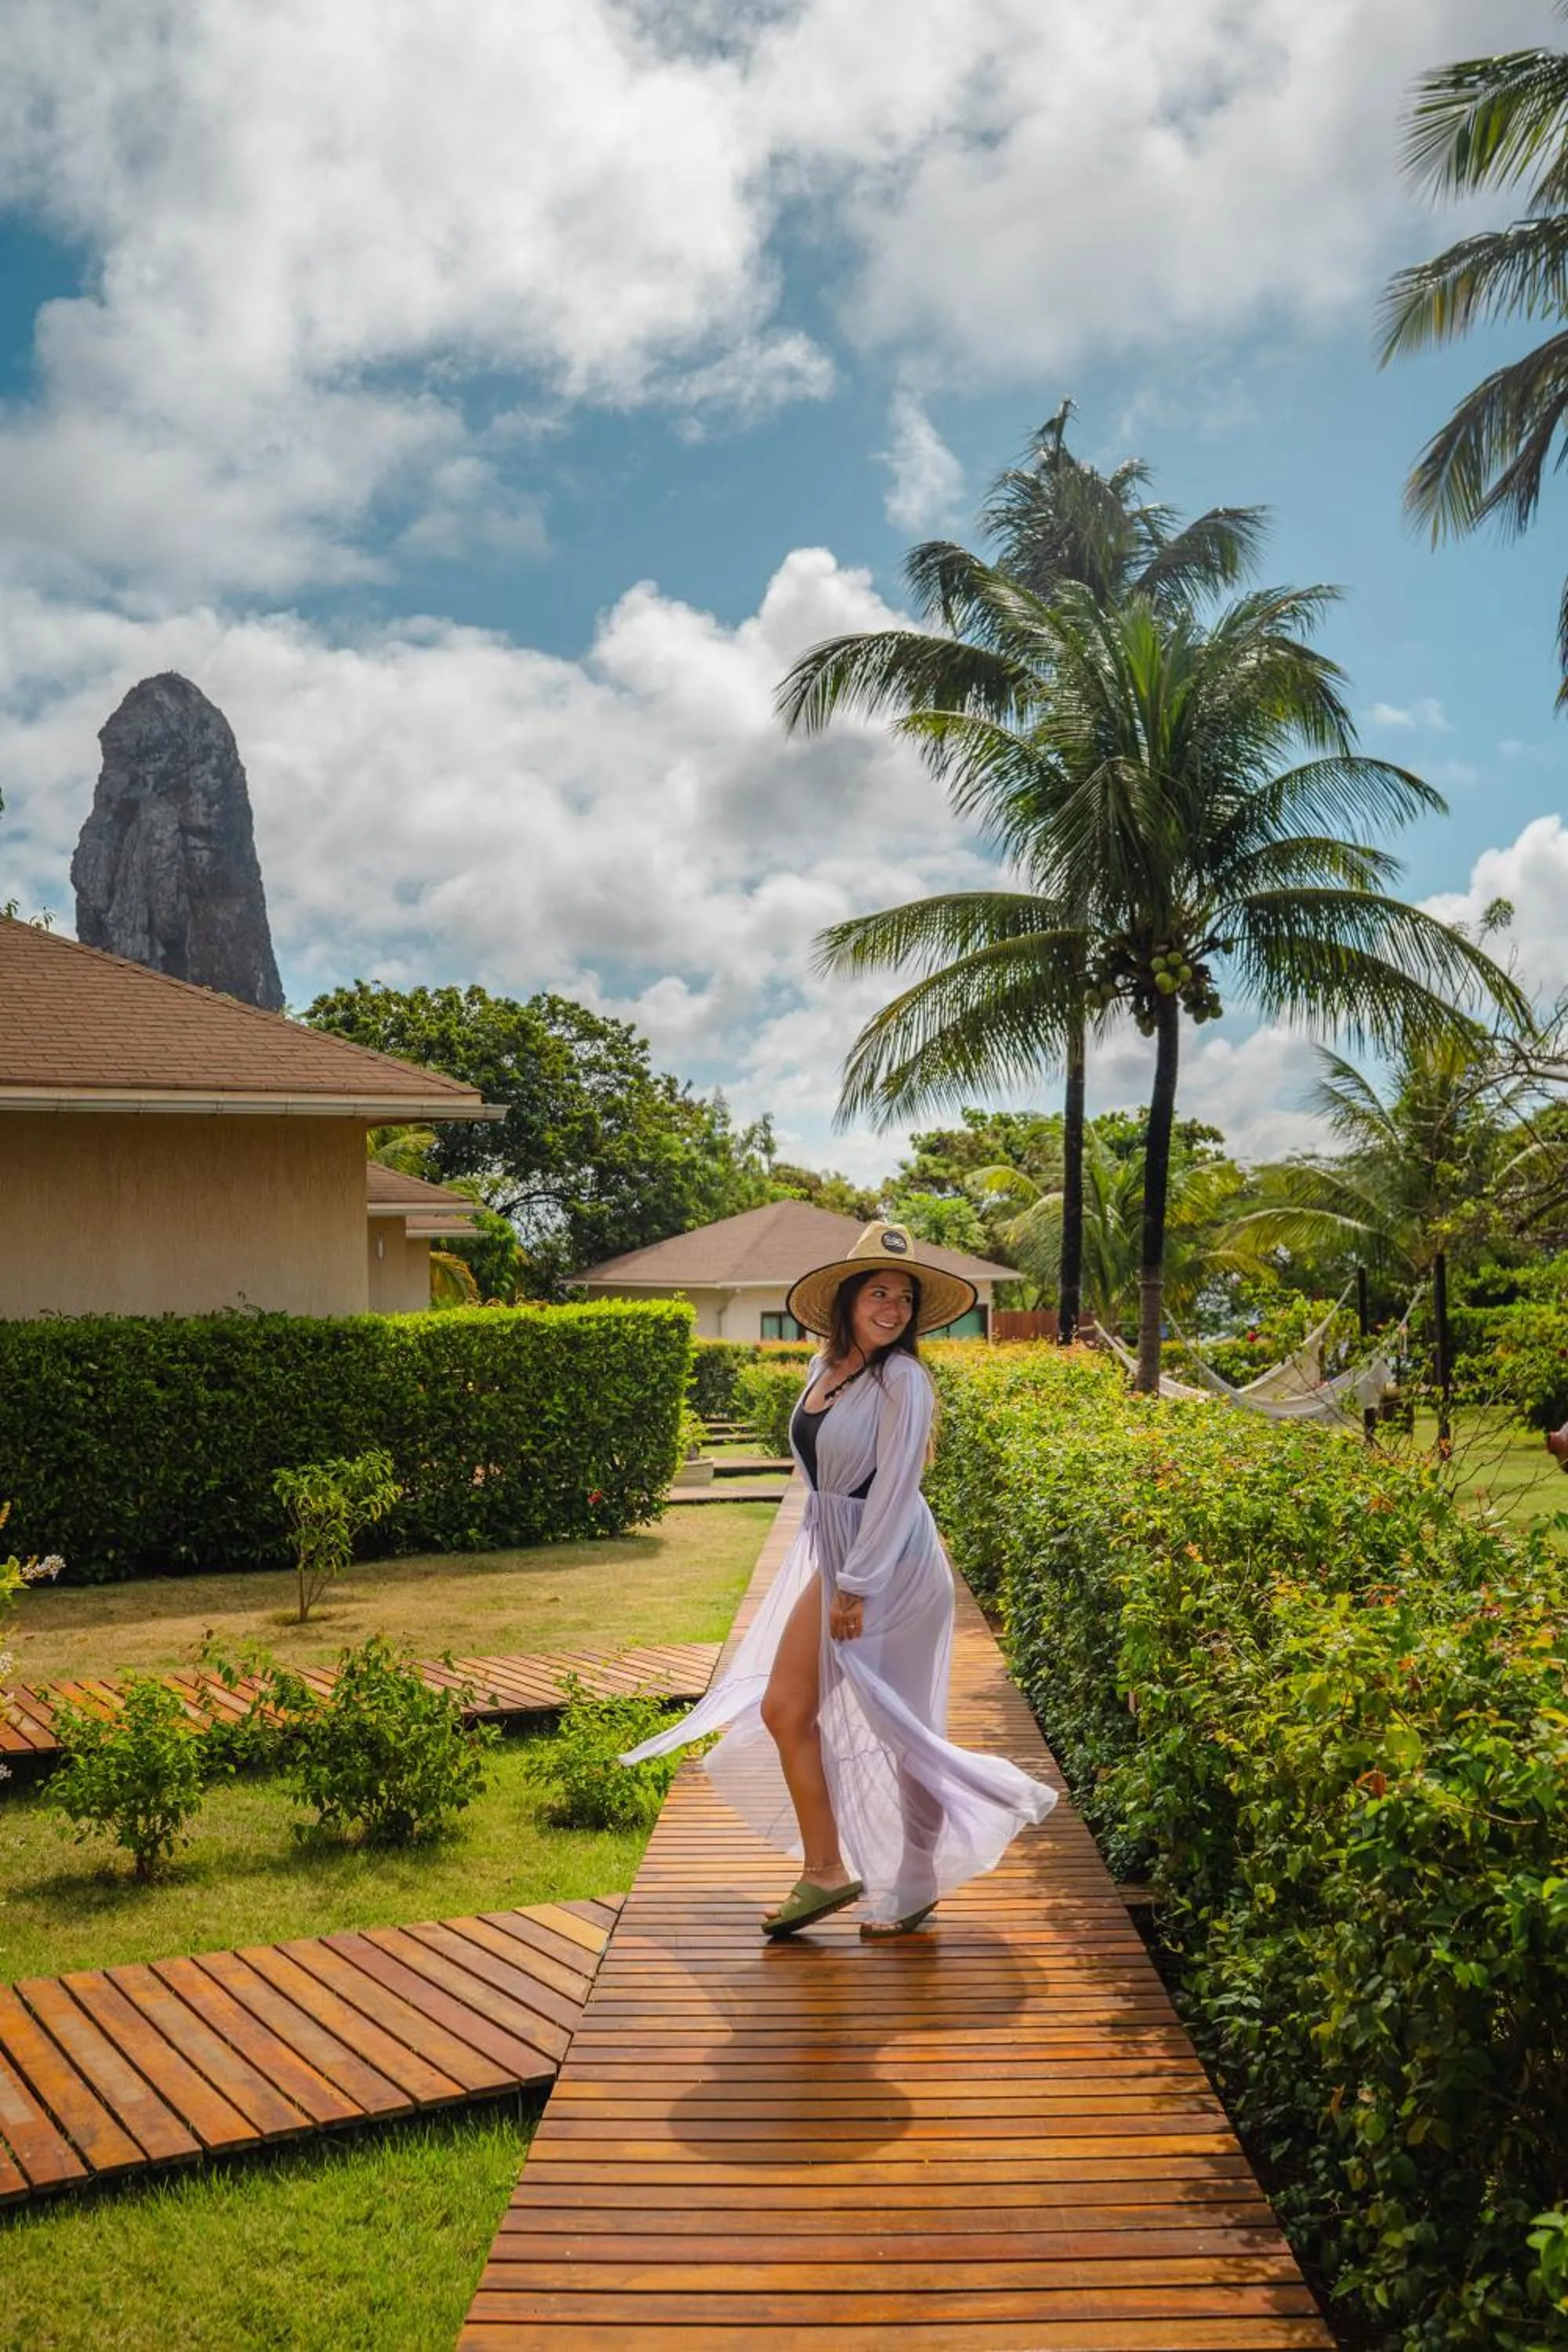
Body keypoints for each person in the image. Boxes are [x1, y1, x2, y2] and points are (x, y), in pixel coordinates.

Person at [619, 1221, 1057, 1938]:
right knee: (786, 1709)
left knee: (904, 1727)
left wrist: (853, 1582)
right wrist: (830, 1567)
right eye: (879, 1292)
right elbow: (822, 1481)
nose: (892, 1308)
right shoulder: (820, 1372)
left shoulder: (904, 1379)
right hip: (842, 1559)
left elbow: (894, 1490)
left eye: (905, 1298)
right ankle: (826, 1871)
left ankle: (916, 1879)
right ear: (848, 1299)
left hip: (895, 1569)